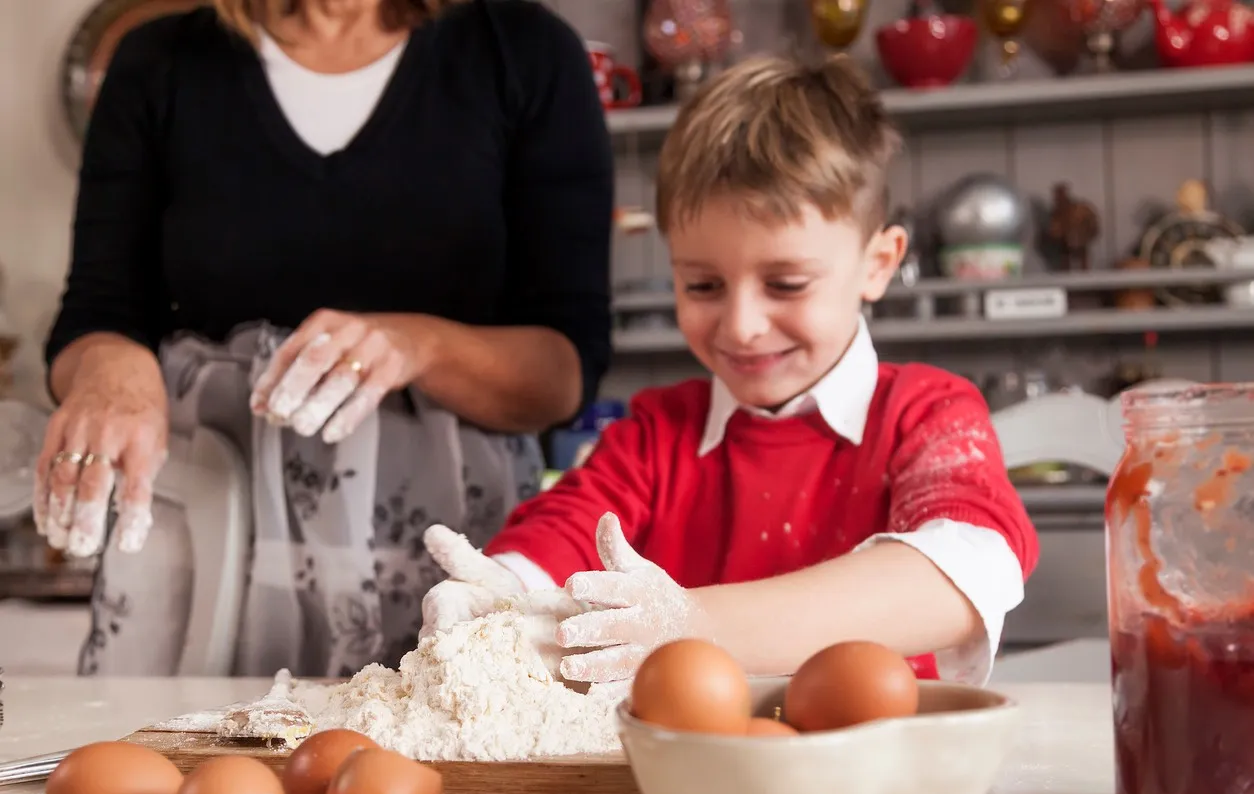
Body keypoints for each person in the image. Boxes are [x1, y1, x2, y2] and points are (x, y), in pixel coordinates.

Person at [420, 53, 1039, 687]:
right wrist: (508, 591)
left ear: (879, 263)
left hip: (886, 749)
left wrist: (693, 624)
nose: (741, 326)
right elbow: (564, 531)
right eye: (704, 285)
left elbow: (963, 572)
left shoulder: (927, 414)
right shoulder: (657, 434)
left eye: (786, 283)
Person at [34, 0, 613, 677]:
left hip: (448, 549)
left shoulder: (523, 53)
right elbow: (96, 311)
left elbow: (564, 373)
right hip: (202, 547)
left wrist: (419, 345)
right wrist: (110, 370)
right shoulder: (155, 61)